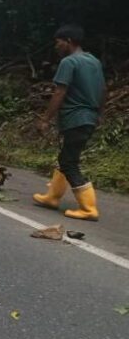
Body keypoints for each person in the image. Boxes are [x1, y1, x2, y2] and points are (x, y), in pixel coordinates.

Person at [33, 24, 106, 220]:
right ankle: (52, 197)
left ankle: (88, 208)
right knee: (66, 156)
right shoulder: (93, 61)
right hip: (88, 118)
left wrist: (45, 120)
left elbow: (60, 92)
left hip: (75, 117)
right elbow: (102, 90)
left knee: (69, 162)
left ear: (69, 42)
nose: (56, 46)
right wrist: (99, 114)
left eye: (58, 42)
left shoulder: (69, 62)